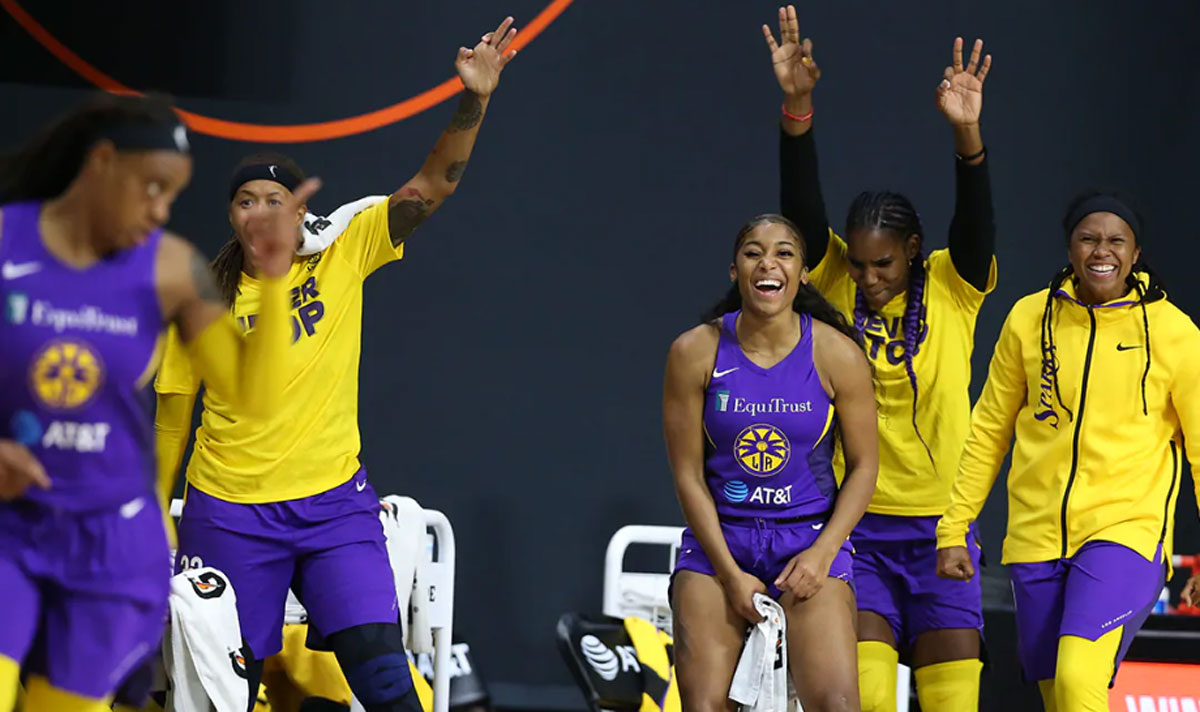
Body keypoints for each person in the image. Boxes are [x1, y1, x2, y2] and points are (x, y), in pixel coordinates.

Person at [154, 17, 518, 712]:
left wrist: (474, 100)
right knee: (228, 696)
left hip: (333, 509)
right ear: (231, 216)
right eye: (245, 200)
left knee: (385, 680)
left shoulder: (346, 249)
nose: (262, 212)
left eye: (276, 199)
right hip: (229, 515)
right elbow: (171, 425)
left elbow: (432, 186)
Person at [0, 93, 300, 712]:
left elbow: (252, 394)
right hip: (14, 525)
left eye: (174, 194)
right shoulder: (8, 241)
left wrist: (272, 287)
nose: (161, 210)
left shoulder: (169, 269)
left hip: (111, 543)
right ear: (102, 163)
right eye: (153, 187)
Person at [764, 6, 996, 709]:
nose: (869, 278)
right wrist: (797, 108)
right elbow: (802, 210)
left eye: (885, 264)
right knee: (856, 698)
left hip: (942, 533)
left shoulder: (957, 287)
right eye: (860, 265)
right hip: (856, 534)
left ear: (915, 250)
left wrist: (966, 133)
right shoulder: (832, 281)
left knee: (953, 700)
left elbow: (977, 219)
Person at [936, 191, 1200, 712]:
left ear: (1136, 252)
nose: (1102, 251)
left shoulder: (1174, 334)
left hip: (1125, 531)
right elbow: (990, 428)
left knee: (1078, 678)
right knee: (1061, 695)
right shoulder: (1028, 319)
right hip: (1036, 539)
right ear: (1070, 246)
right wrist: (953, 526)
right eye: (1089, 237)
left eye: (1116, 240)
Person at [664, 214, 878, 711]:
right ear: (735, 270)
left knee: (838, 704)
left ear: (803, 273)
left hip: (807, 544)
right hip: (721, 546)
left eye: (784, 253)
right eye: (753, 252)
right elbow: (688, 476)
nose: (768, 263)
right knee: (704, 705)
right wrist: (729, 572)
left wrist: (823, 554)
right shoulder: (694, 352)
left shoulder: (837, 354)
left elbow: (865, 467)